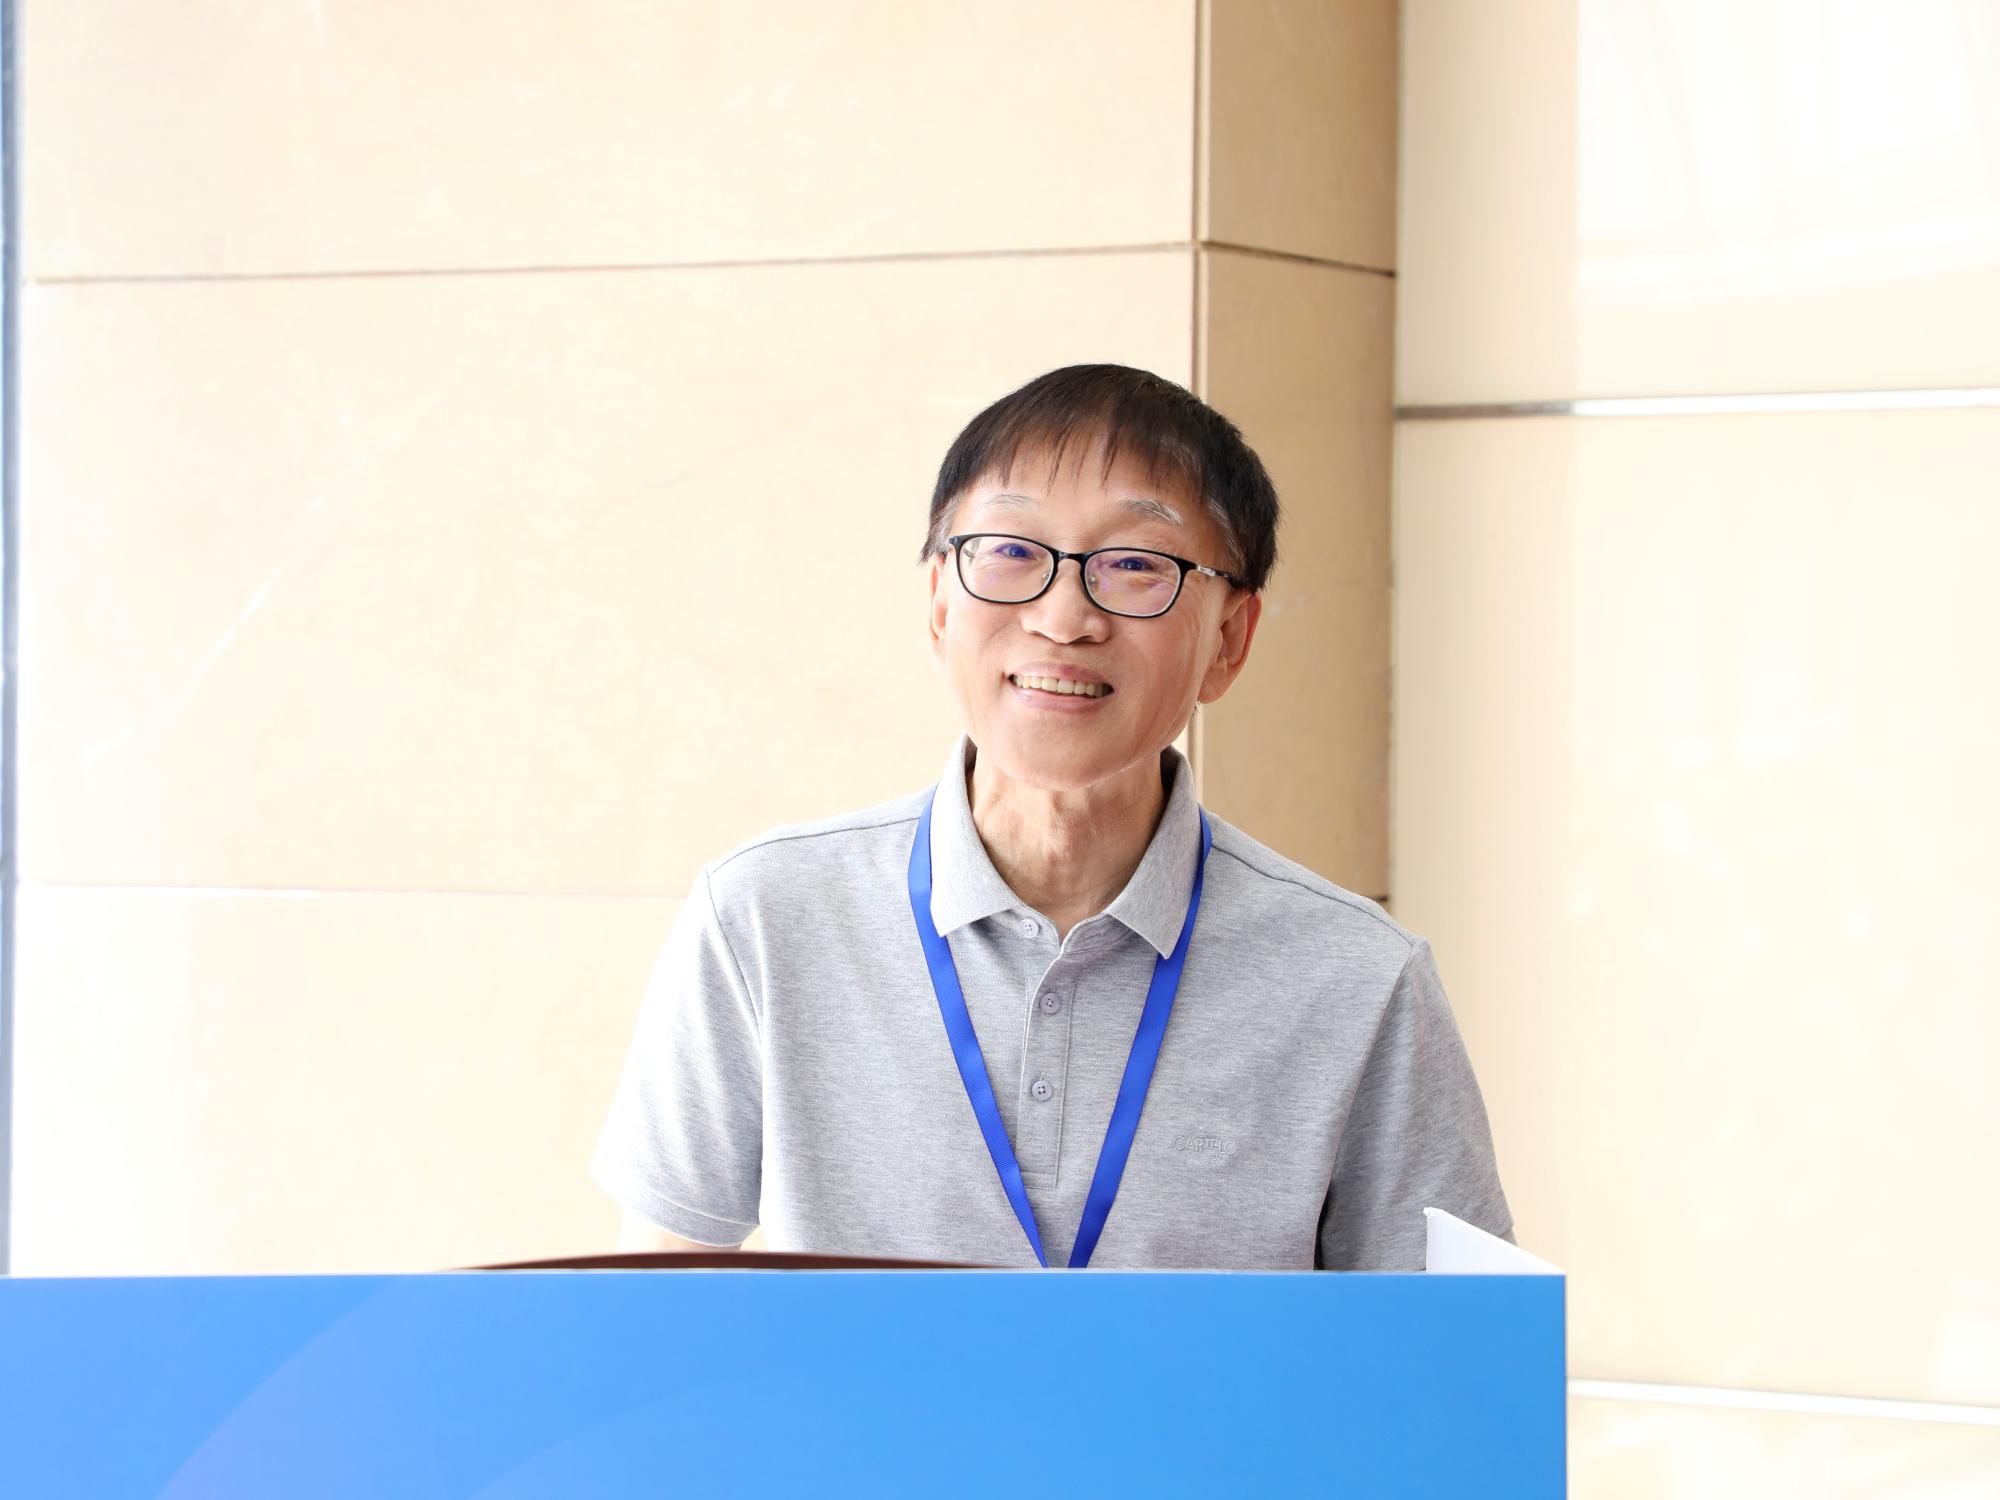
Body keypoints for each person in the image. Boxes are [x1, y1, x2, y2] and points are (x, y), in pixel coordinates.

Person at [590, 363, 1513, 1269]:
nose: (1064, 617)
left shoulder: (1359, 979)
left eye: (1135, 565)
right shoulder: (763, 916)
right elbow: (653, 1320)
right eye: (1012, 552)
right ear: (939, 603)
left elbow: (1455, 1352)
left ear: (1229, 640)